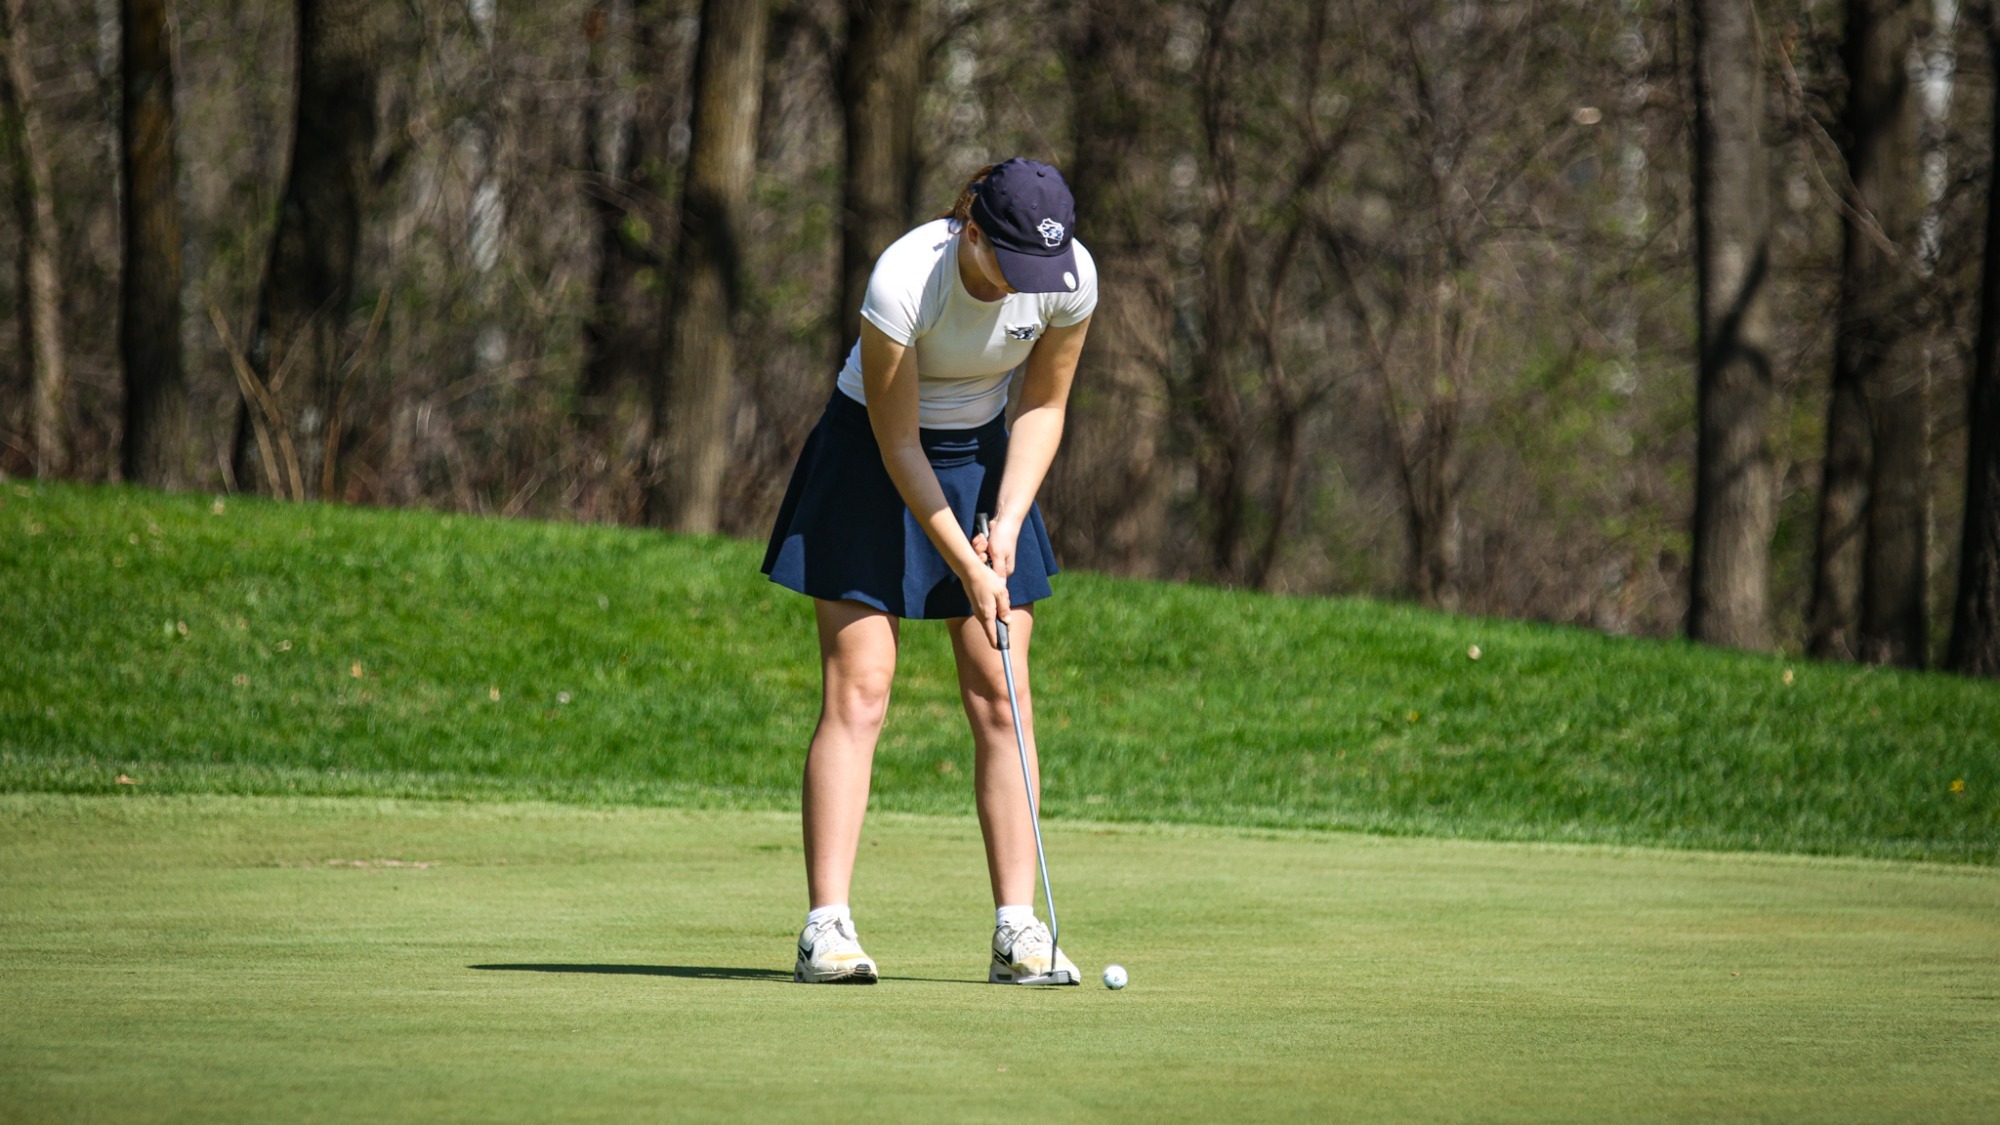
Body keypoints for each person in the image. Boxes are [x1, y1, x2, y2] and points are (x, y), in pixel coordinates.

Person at [762, 157, 1095, 985]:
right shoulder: (906, 276)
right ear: (972, 232)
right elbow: (898, 441)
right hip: (872, 456)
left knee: (1004, 691)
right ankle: (825, 927)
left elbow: (1044, 405)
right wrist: (965, 566)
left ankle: (1018, 930)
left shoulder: (1070, 276)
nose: (1028, 284)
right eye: (1011, 262)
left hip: (983, 458)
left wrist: (1007, 522)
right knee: (861, 686)